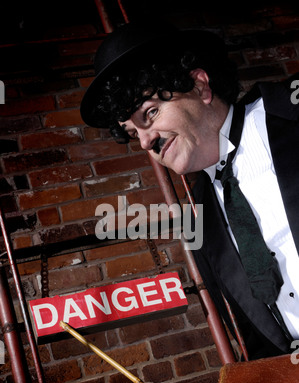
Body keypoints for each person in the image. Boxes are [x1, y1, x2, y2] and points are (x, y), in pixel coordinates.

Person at [80, 19, 299, 360]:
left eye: (150, 113)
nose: (145, 141)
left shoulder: (291, 113)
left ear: (199, 87)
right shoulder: (198, 216)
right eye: (132, 132)